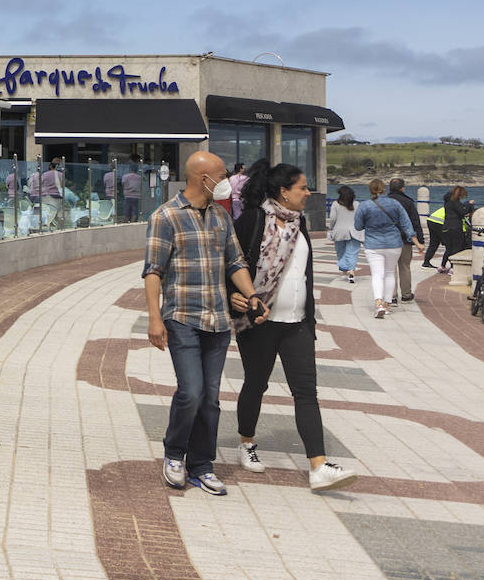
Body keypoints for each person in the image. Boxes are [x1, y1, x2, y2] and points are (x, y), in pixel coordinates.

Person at [230, 160, 358, 492]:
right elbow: (232, 262)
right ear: (283, 192)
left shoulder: (300, 225)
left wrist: (311, 319)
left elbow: (303, 274)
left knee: (306, 392)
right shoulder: (254, 219)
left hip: (297, 324)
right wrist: (235, 297)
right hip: (260, 322)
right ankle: (246, 442)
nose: (307, 192)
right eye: (302, 187)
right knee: (256, 385)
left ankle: (318, 466)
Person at [144, 151, 265, 497]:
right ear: (202, 179)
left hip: (217, 320)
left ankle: (202, 465)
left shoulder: (220, 218)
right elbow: (153, 271)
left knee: (210, 398)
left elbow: (235, 262)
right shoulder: (165, 217)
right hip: (182, 317)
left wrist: (252, 296)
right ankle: (173, 454)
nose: (227, 180)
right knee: (191, 392)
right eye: (222, 174)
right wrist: (155, 319)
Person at [354, 179, 414, 319]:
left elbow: (358, 226)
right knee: (389, 273)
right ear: (384, 189)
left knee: (377, 274)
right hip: (394, 243)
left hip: (373, 245)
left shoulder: (364, 206)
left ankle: (378, 303)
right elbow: (406, 224)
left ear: (371, 190)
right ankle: (387, 304)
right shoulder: (395, 204)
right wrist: (413, 239)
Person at [387, 178, 425, 303]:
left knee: (390, 268)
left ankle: (392, 295)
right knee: (405, 267)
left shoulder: (384, 201)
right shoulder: (408, 202)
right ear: (402, 188)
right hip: (405, 239)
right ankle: (406, 294)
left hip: (388, 239)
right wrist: (420, 240)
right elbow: (415, 221)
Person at [327, 185, 361, 284]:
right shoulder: (357, 204)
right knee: (352, 252)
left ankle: (344, 270)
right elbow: (359, 218)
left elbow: (332, 218)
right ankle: (351, 270)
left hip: (339, 231)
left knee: (340, 251)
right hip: (354, 231)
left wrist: (331, 228)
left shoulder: (335, 204)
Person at [440, 186, 475, 274]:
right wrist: (470, 205)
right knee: (456, 248)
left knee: (448, 248)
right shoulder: (455, 202)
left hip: (446, 227)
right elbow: (463, 212)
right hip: (455, 227)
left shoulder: (447, 202)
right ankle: (453, 268)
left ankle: (442, 266)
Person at [39, 158, 65, 227]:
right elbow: (62, 186)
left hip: (47, 197)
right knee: (56, 217)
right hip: (57, 198)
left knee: (47, 217)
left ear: (50, 166)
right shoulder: (60, 175)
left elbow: (40, 185)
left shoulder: (44, 174)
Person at [422, 204, 446, 269]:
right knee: (448, 244)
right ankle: (445, 265)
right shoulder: (456, 208)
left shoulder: (448, 206)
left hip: (431, 220)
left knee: (434, 243)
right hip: (439, 222)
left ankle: (426, 262)